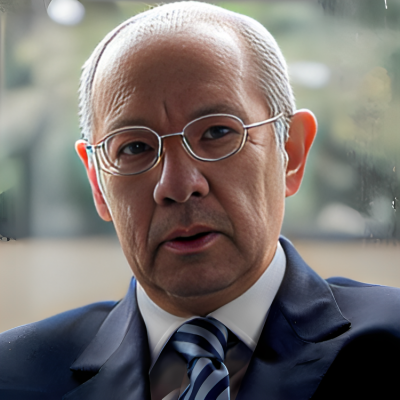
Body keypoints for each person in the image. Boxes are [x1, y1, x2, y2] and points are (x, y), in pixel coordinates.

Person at [1, 2, 400, 399]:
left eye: (217, 133)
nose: (177, 186)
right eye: (135, 147)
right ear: (97, 182)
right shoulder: (14, 376)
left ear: (291, 153)